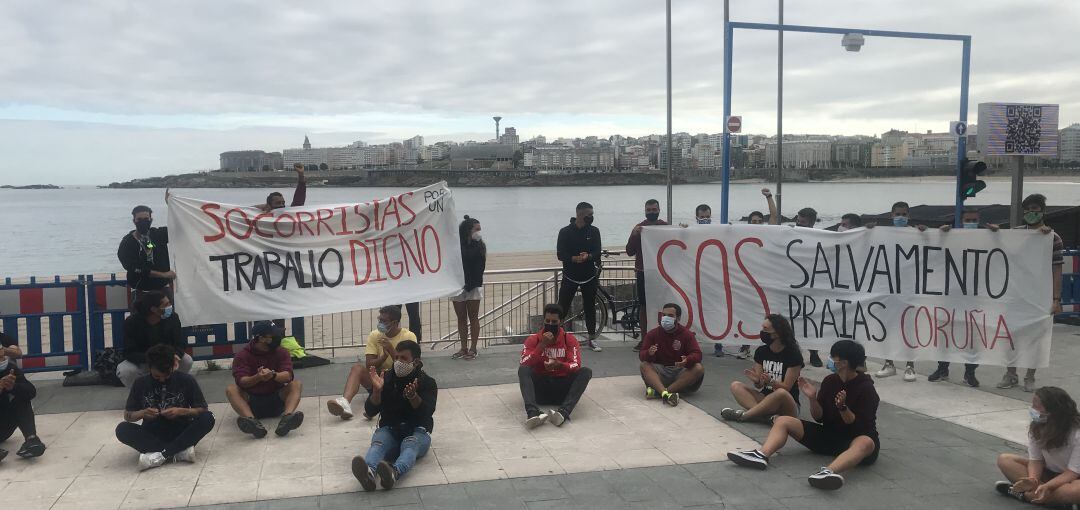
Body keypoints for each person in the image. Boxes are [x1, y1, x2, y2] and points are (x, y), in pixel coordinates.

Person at [728, 340, 880, 491]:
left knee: (865, 442)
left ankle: (827, 472)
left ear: (844, 363)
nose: (831, 360)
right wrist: (812, 398)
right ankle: (761, 455)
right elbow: (819, 418)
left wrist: (843, 408)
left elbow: (857, 426)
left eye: (834, 358)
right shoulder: (830, 381)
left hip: (856, 440)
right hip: (830, 436)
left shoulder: (866, 388)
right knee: (783, 421)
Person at [998, 193, 1064, 392]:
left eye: (1035, 210)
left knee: (1036, 338)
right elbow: (998, 245)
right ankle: (1010, 374)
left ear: (1042, 212)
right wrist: (994, 233)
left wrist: (1056, 299)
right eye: (1027, 210)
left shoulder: (1053, 238)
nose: (1030, 213)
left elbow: (1057, 270)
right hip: (1016, 295)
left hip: (1039, 297)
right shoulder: (1016, 234)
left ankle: (1030, 376)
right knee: (1011, 336)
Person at [351, 340, 437, 491]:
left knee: (410, 445)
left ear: (415, 362)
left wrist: (413, 397)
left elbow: (426, 413)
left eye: (403, 358)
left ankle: (393, 473)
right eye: (396, 357)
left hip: (417, 431)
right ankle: (368, 473)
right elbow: (370, 411)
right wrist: (376, 392)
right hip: (390, 429)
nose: (398, 362)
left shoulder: (427, 382)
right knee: (379, 442)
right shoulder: (387, 378)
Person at [929, 207, 1000, 387]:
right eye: (967, 220)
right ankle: (942, 368)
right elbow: (933, 252)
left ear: (979, 220)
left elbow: (1003, 250)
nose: (970, 223)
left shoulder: (986, 237)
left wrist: (997, 234)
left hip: (975, 297)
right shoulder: (950, 235)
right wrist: (941, 235)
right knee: (945, 334)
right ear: (960, 220)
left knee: (972, 337)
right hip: (950, 296)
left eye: (974, 220)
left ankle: (970, 372)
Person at [115, 344, 214, 471]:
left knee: (209, 417)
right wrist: (142, 413)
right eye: (157, 377)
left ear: (173, 366)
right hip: (152, 433)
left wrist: (181, 411)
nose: (162, 380)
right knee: (122, 429)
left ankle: (161, 455)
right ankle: (179, 452)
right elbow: (128, 415)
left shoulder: (186, 380)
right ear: (149, 368)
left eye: (166, 375)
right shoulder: (140, 383)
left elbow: (202, 410)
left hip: (181, 430)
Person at [328, 306, 418, 420]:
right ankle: (345, 403)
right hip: (379, 379)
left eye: (383, 321)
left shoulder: (409, 336)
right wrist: (383, 357)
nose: (380, 323)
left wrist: (390, 349)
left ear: (395, 322)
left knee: (390, 395)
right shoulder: (375, 335)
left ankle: (378, 405)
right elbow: (369, 365)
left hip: (399, 380)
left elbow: (407, 366)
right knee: (357, 368)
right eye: (379, 319)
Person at [996, 386, 1080, 505]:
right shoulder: (1037, 426)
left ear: (1054, 410)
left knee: (1074, 491)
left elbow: (1072, 473)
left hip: (1074, 478)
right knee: (1005, 460)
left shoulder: (1076, 432)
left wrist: (1048, 486)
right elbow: (1036, 460)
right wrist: (1033, 480)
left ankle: (1027, 496)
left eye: (1037, 406)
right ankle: (1051, 498)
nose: (1032, 409)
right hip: (1049, 472)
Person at [872, 201, 927, 382]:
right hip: (889, 289)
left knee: (909, 329)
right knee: (889, 327)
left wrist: (927, 234)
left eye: (904, 214)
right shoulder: (883, 235)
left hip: (910, 290)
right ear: (891, 215)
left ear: (909, 215)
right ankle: (889, 363)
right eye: (897, 214)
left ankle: (910, 366)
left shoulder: (917, 233)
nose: (901, 217)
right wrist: (867, 231)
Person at [518, 304, 593, 428]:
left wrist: (560, 365)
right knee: (523, 369)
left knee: (585, 371)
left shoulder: (569, 340)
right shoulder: (533, 340)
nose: (550, 324)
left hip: (562, 388)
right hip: (540, 388)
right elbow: (524, 363)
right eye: (547, 321)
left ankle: (563, 413)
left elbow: (576, 365)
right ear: (543, 321)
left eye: (554, 321)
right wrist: (542, 345)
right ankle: (532, 413)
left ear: (561, 322)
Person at [226, 321, 304, 438]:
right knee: (231, 389)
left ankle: (287, 418)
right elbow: (242, 381)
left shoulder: (282, 352)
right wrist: (257, 378)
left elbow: (288, 376)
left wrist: (273, 375)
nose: (279, 338)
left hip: (277, 399)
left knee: (296, 384)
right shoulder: (242, 356)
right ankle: (252, 422)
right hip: (252, 401)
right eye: (274, 336)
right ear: (261, 338)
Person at [721, 314, 804, 423]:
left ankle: (744, 416)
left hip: (787, 404)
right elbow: (759, 385)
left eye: (765, 329)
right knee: (735, 386)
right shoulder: (761, 352)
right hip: (764, 398)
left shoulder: (793, 355)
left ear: (777, 334)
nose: (762, 332)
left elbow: (786, 388)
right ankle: (766, 417)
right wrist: (757, 381)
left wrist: (771, 381)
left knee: (780, 393)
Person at [117, 291, 193, 388]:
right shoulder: (132, 322)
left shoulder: (173, 317)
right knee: (125, 370)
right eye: (166, 305)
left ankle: (172, 388)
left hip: (167, 358)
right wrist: (153, 359)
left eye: (169, 303)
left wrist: (175, 355)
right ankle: (140, 393)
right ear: (154, 309)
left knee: (187, 361)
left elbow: (180, 343)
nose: (170, 306)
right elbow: (129, 352)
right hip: (143, 360)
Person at [556, 202, 603, 352]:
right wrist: (573, 258)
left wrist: (588, 256)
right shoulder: (565, 232)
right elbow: (560, 254)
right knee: (561, 307)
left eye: (592, 214)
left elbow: (597, 252)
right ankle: (556, 339)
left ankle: (592, 339)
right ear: (579, 214)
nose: (591, 217)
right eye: (589, 214)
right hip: (570, 276)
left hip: (589, 276)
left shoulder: (594, 231)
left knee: (590, 308)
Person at [639, 303, 703, 407]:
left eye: (670, 316)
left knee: (698, 368)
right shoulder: (653, 334)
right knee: (644, 365)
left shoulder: (687, 334)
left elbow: (697, 354)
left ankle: (663, 392)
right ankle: (666, 393)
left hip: (680, 373)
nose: (665, 318)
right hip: (661, 372)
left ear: (678, 318)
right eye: (664, 315)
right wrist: (649, 353)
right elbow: (642, 355)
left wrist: (687, 360)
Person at [626, 199, 669, 350]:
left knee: (663, 307)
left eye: (654, 209)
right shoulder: (639, 228)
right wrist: (634, 234)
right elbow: (629, 251)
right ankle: (645, 338)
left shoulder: (665, 227)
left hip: (660, 274)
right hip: (643, 273)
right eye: (649, 210)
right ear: (645, 211)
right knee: (644, 307)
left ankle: (664, 338)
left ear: (659, 210)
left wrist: (682, 230)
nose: (651, 212)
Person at [0, 333, 46, 461]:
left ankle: (32, 440)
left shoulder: (9, 369)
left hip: (4, 425)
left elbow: (31, 391)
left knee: (21, 396)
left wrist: (13, 387)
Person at [118, 205, 175, 305]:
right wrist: (163, 274)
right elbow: (133, 268)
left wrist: (171, 205)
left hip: (163, 289)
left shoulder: (159, 234)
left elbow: (180, 227)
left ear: (151, 220)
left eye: (146, 219)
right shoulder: (127, 243)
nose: (143, 222)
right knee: (140, 320)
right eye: (139, 219)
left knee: (169, 318)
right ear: (134, 221)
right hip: (140, 291)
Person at [452, 216, 486, 361]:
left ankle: (473, 348)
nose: (479, 232)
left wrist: (472, 283)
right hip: (458, 285)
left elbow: (480, 266)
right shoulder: (457, 245)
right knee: (461, 318)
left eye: (479, 229)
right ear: (468, 230)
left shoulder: (480, 245)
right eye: (476, 229)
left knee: (473, 317)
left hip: (474, 285)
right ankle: (463, 347)